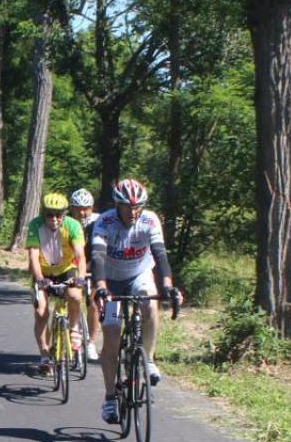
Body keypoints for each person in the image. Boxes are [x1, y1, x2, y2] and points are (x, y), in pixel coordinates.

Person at [89, 178, 182, 424]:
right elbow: (97, 256)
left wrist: (168, 286)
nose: (134, 212)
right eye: (128, 207)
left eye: (138, 206)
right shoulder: (104, 222)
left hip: (139, 274)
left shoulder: (150, 220)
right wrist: (100, 288)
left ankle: (148, 359)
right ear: (117, 206)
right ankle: (110, 398)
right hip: (110, 279)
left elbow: (160, 253)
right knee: (111, 337)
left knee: (150, 304)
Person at [26, 191, 87, 376]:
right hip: (43, 272)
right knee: (41, 311)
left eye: (58, 214)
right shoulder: (35, 225)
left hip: (65, 270)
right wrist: (39, 279)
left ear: (64, 214)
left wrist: (81, 277)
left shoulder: (73, 225)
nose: (54, 219)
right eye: (49, 214)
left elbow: (80, 255)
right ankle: (44, 353)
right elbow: (33, 257)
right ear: (43, 214)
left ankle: (74, 327)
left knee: (75, 296)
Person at [69, 188, 100, 354]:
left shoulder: (99, 222)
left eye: (86, 208)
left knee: (94, 303)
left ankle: (91, 343)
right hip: (72, 265)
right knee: (72, 298)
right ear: (72, 208)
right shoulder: (65, 222)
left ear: (92, 207)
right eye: (78, 208)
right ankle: (70, 331)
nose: (82, 212)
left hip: (92, 264)